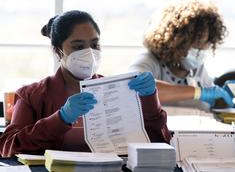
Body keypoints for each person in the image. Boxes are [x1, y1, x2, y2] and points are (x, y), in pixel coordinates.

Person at [0, 10, 171, 157]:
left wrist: (150, 100)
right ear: (57, 51)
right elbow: (8, 146)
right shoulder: (32, 95)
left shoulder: (116, 91)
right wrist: (60, 118)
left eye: (95, 44)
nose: (89, 53)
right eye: (78, 46)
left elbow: (158, 142)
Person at [129, 0, 234, 109]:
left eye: (205, 48)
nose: (200, 54)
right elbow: (135, 88)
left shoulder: (197, 69)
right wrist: (198, 92)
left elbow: (212, 101)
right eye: (197, 47)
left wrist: (225, 100)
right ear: (176, 40)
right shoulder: (148, 60)